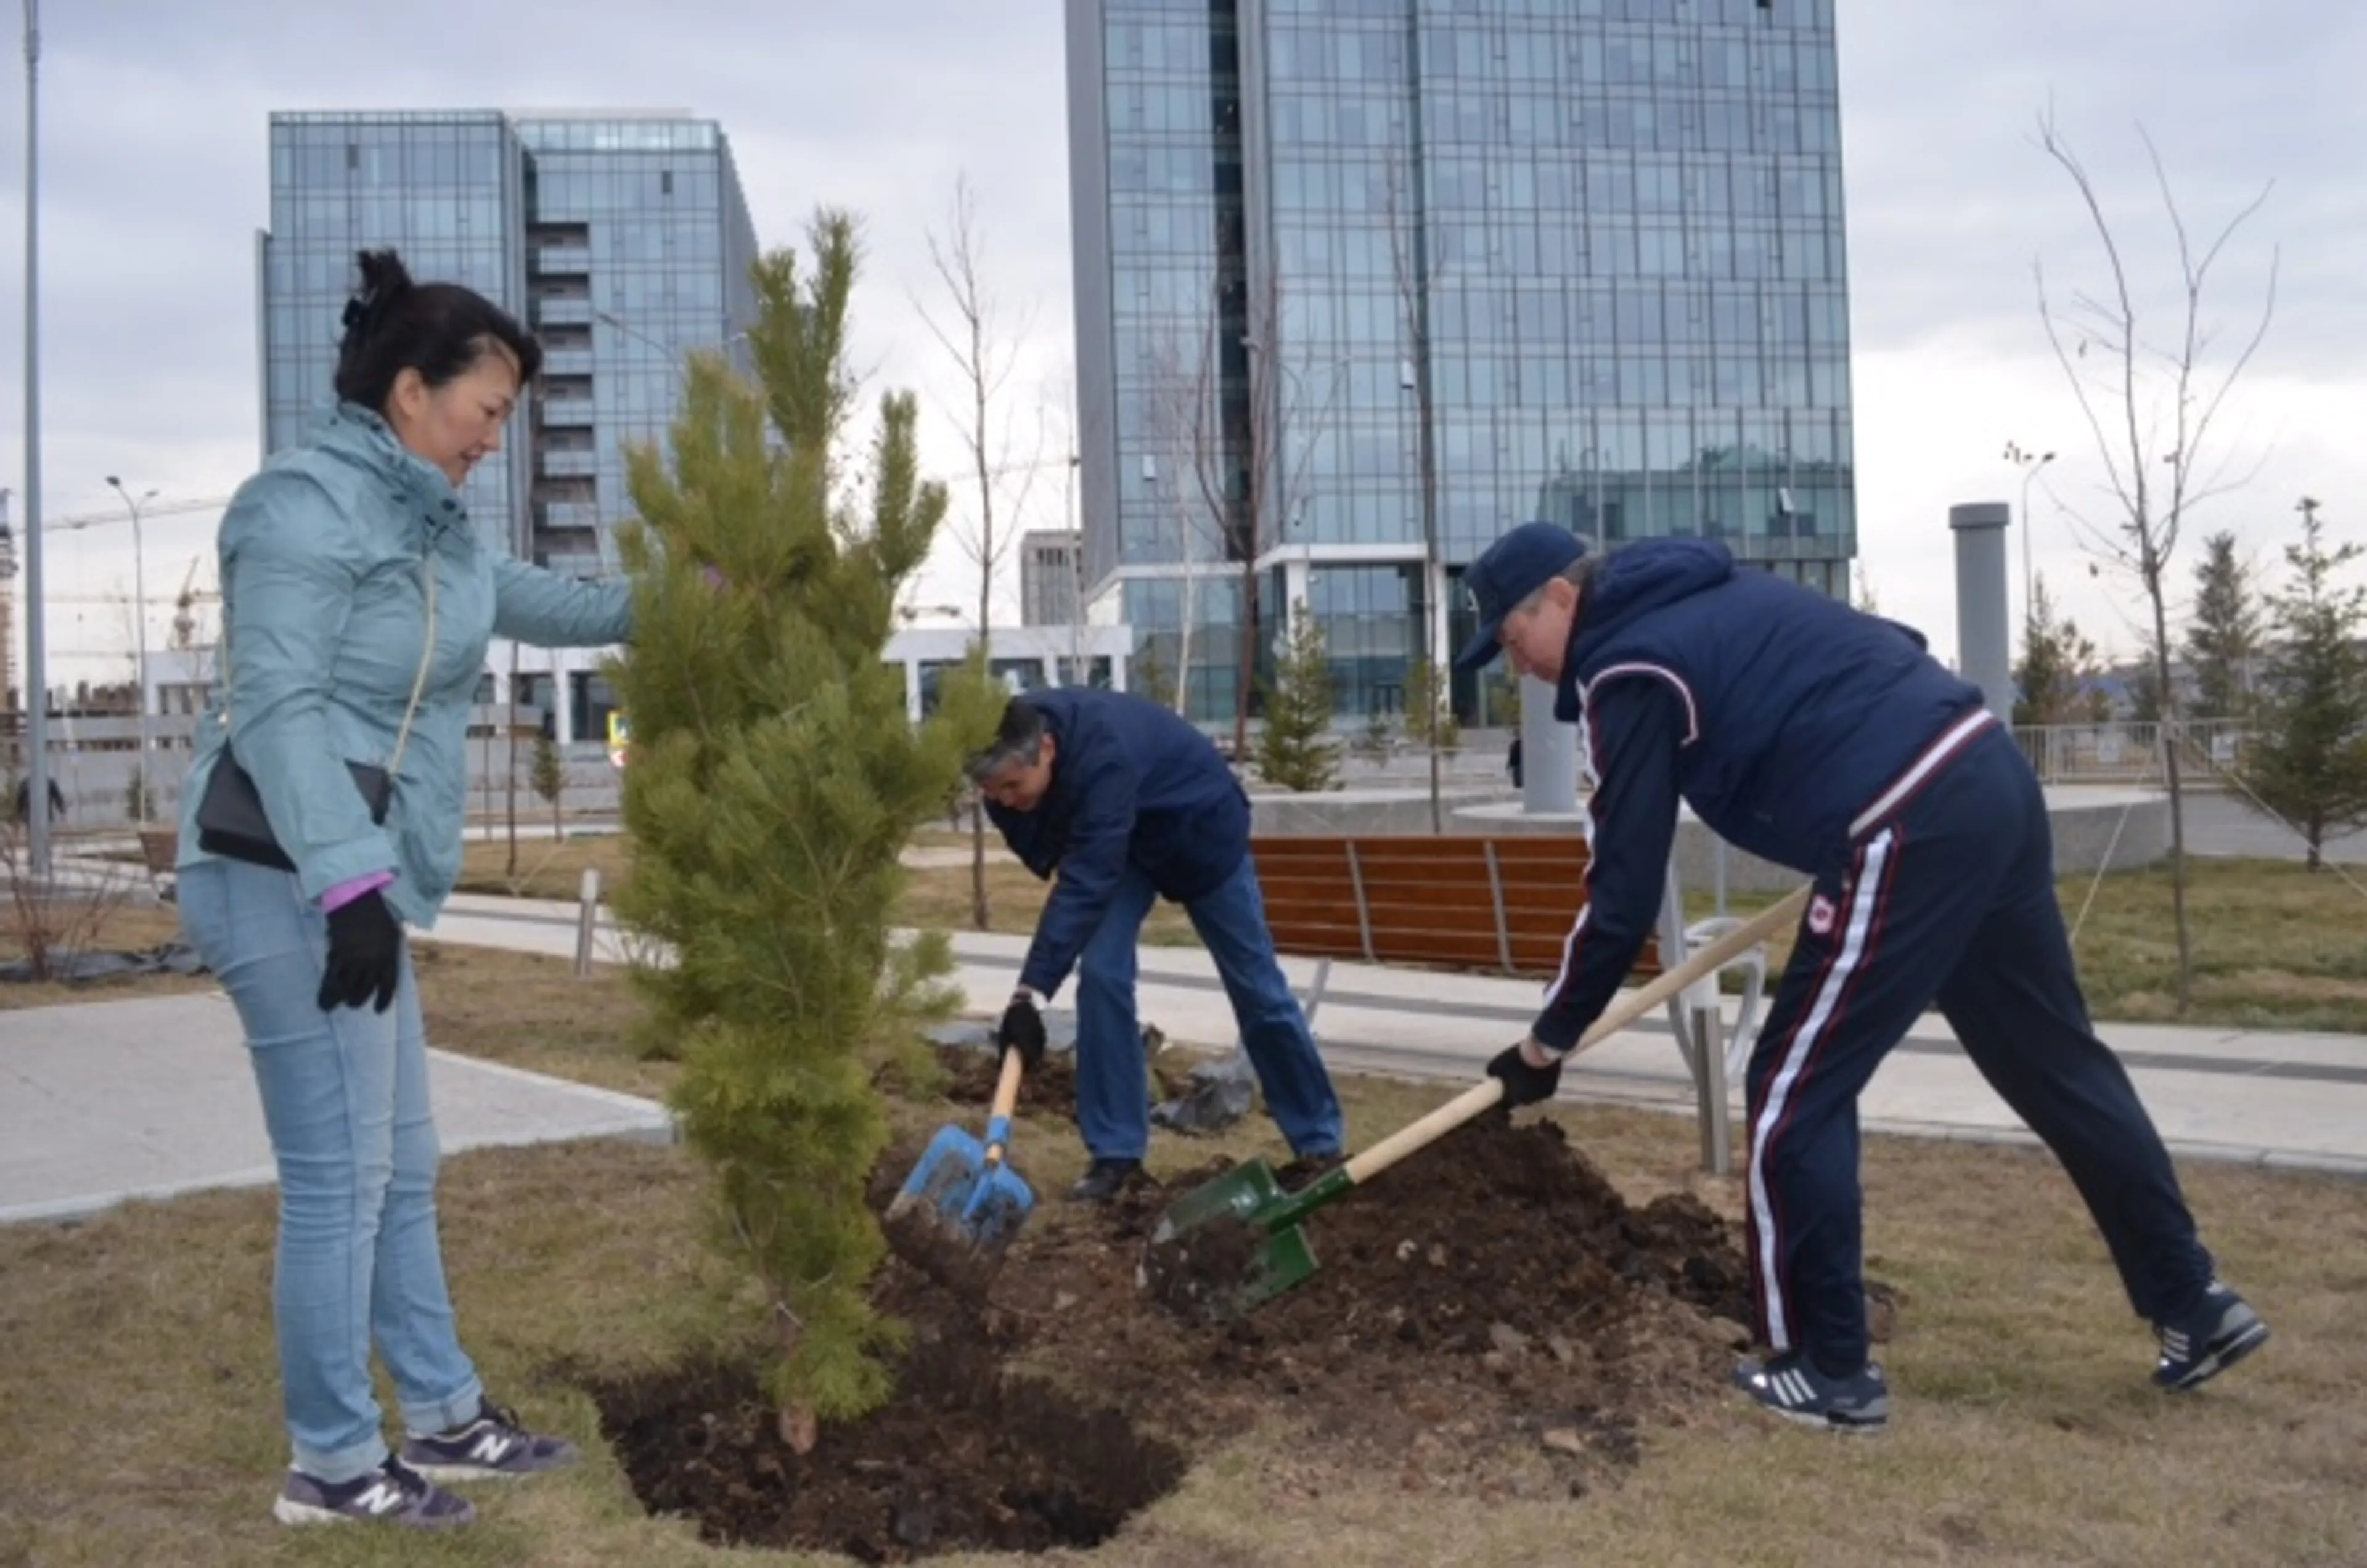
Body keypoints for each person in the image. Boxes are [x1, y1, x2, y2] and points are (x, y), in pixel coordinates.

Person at [1455, 521, 2267, 1434]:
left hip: (1905, 817)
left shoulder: (1627, 665)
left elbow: (1625, 889)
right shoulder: (1713, 596)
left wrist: (1549, 1039)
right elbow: (1894, 650)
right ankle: (2193, 1300)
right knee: (2055, 1063)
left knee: (1791, 1090)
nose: (1515, 666)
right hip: (1982, 768)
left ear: (1560, 599)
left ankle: (1828, 1366)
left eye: (1513, 641)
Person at [174, 250, 637, 1529]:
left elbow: (559, 602)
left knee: (404, 1169)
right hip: (282, 875)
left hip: (346, 876)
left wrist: (710, 600)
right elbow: (277, 706)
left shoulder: (433, 531)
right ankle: (330, 1461)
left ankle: (440, 1414)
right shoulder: (300, 508)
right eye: (488, 410)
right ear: (410, 391)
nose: (496, 437)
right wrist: (347, 887)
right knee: (339, 1181)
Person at [968, 690, 1344, 1201]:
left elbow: (1084, 878)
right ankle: (1116, 1154)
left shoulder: (1104, 755)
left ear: (1049, 750)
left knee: (1255, 985)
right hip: (1124, 848)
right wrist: (1028, 997)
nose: (1006, 800)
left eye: (1014, 786)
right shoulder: (1006, 776)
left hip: (1198, 828)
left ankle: (1318, 1143)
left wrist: (1030, 991)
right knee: (1102, 972)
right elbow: (1068, 861)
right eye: (995, 791)